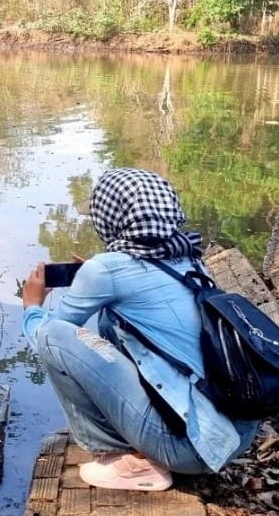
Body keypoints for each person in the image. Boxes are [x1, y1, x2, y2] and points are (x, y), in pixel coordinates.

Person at [21, 168, 258, 491]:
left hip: (191, 450)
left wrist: (32, 306)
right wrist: (98, 274)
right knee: (112, 318)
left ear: (111, 217)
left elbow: (48, 340)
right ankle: (146, 443)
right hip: (236, 436)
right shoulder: (190, 260)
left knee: (53, 334)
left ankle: (128, 461)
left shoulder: (107, 270)